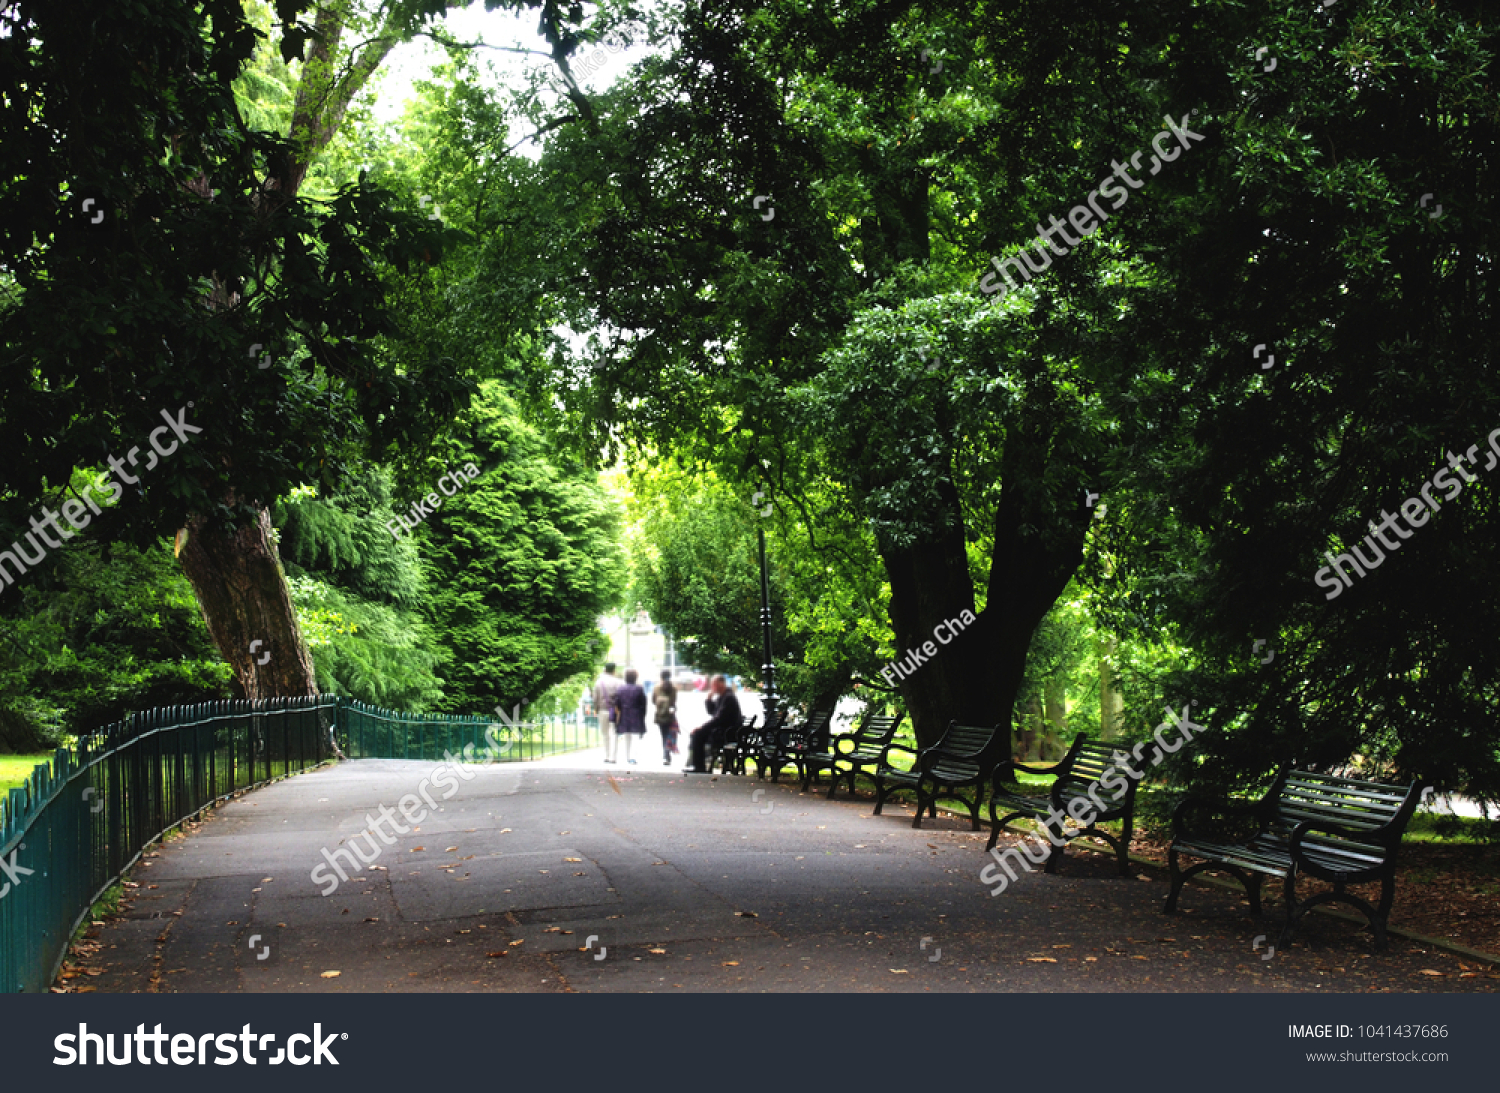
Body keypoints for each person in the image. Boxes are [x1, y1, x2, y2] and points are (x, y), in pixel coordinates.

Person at [685, 674, 742, 774]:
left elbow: (719, 718)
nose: (712, 687)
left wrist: (702, 728)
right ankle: (696, 764)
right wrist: (708, 700)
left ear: (721, 684)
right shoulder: (723, 697)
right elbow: (712, 711)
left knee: (698, 735)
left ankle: (699, 766)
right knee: (697, 734)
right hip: (723, 731)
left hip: (727, 733)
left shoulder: (729, 698)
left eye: (713, 685)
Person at [611, 668, 648, 765]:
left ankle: (627, 756)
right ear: (635, 677)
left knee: (626, 736)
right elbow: (643, 704)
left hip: (624, 714)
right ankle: (632, 757)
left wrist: (617, 714)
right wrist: (643, 715)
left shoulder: (621, 689)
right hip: (636, 714)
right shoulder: (639, 689)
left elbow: (617, 703)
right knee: (635, 736)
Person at [592, 663, 622, 760]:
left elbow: (595, 699)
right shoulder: (619, 683)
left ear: (605, 670)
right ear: (614, 670)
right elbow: (621, 698)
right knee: (614, 734)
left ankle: (607, 755)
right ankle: (614, 757)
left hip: (602, 710)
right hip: (615, 711)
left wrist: (595, 709)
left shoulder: (599, 683)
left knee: (605, 734)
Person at [652, 669, 678, 766]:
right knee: (669, 734)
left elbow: (653, 701)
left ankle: (665, 755)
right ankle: (667, 754)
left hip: (660, 715)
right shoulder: (673, 688)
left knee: (663, 735)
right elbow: (674, 701)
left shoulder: (656, 687)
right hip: (670, 715)